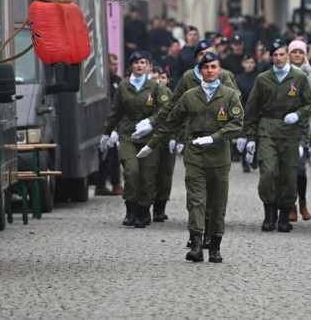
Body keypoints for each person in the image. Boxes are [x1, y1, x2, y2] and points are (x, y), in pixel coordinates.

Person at [137, 53, 243, 263]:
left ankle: (214, 246)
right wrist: (152, 143)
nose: (210, 70)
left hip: (219, 154)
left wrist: (214, 138)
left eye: (214, 67)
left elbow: (237, 124)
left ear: (219, 70)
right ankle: (196, 245)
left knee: (217, 202)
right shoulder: (190, 96)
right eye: (206, 67)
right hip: (195, 152)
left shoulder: (230, 95)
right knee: (196, 200)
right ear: (200, 71)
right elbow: (171, 122)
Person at [134, 40, 238, 221]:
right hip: (194, 139)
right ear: (196, 58)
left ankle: (209, 228)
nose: (207, 58)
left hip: (218, 142)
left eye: (211, 53)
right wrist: (152, 124)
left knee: (215, 192)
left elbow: (235, 103)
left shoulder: (224, 76)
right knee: (196, 190)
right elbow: (171, 107)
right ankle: (196, 232)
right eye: (202, 54)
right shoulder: (188, 77)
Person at [240, 40, 311, 233]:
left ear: (287, 56)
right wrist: (248, 136)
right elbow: (252, 108)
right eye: (275, 55)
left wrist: (298, 115)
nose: (279, 58)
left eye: (282, 54)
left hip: (290, 133)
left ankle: (284, 216)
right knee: (268, 173)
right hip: (267, 130)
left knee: (289, 176)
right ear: (271, 57)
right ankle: (269, 214)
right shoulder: (263, 78)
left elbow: (310, 103)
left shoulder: (298, 78)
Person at [101, 51, 172, 228]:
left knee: (147, 177)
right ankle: (130, 209)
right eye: (136, 62)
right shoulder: (124, 87)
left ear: (148, 66)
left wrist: (150, 122)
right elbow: (116, 111)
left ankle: (143, 211)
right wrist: (107, 132)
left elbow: (165, 111)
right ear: (131, 65)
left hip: (149, 137)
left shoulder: (155, 88)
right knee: (131, 173)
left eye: (143, 62)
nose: (139, 65)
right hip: (128, 135)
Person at [287, 39, 311, 222]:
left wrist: (303, 102)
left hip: (305, 125)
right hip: (286, 126)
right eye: (294, 52)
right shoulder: (283, 73)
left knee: (300, 168)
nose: (298, 55)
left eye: (300, 52)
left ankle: (302, 202)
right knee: (287, 169)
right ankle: (290, 204)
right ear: (289, 55)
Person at [95, 54, 124, 197]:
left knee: (114, 154)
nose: (116, 67)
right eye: (113, 64)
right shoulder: (102, 82)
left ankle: (114, 183)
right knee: (105, 154)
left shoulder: (117, 81)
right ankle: (103, 183)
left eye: (117, 64)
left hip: (116, 123)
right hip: (104, 122)